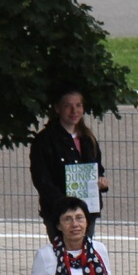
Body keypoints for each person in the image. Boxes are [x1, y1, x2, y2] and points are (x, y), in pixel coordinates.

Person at [29, 87, 109, 241]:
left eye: (78, 105)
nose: (74, 110)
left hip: (86, 211)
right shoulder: (45, 141)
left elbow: (97, 169)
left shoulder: (88, 139)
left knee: (86, 256)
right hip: (58, 212)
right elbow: (42, 179)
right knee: (63, 257)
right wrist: (64, 204)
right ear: (57, 108)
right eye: (68, 106)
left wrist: (100, 181)